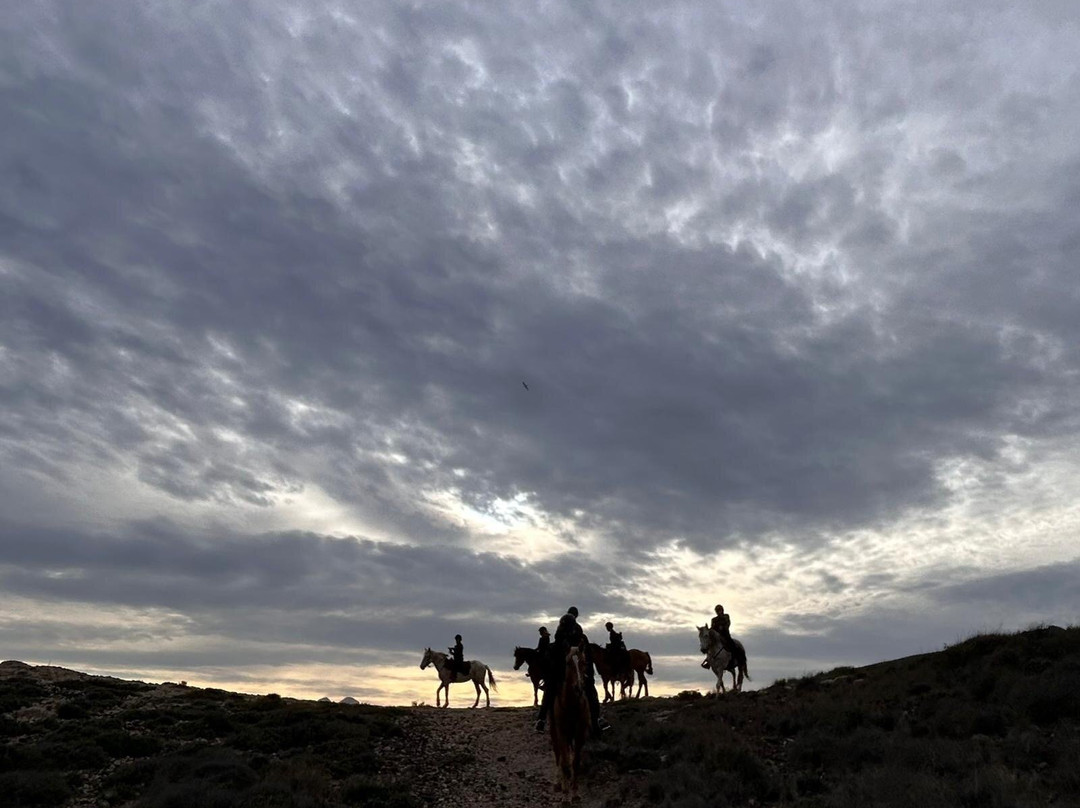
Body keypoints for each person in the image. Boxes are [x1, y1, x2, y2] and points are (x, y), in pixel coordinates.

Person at [535, 606, 610, 737]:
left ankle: (597, 719)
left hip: (579, 667)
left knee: (589, 690)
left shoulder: (580, 635)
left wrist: (588, 673)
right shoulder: (560, 635)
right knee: (552, 689)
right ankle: (542, 719)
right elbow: (555, 656)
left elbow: (587, 656)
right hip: (563, 668)